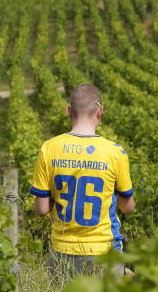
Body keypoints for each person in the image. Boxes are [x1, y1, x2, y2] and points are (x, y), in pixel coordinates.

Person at [30, 83, 134, 278]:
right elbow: (127, 207)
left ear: (68, 111)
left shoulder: (49, 148)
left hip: (63, 251)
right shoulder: (115, 152)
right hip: (105, 251)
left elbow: (41, 210)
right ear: (100, 112)